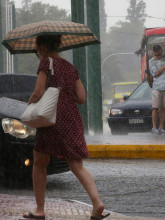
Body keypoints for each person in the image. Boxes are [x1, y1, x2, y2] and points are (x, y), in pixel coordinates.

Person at [23, 35, 109, 220]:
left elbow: (38, 92)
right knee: (77, 165)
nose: (37, 51)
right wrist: (63, 92)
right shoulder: (70, 67)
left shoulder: (46, 63)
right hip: (71, 118)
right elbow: (81, 98)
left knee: (39, 163)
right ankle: (97, 203)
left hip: (51, 119)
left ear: (42, 46)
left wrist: (30, 103)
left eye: (37, 47)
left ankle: (39, 210)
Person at [149, 45, 165, 135]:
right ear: (153, 52)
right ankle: (154, 127)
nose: (157, 52)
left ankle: (161, 127)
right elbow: (156, 73)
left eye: (158, 50)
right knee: (155, 107)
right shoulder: (151, 61)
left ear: (161, 50)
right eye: (155, 51)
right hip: (157, 87)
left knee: (163, 108)